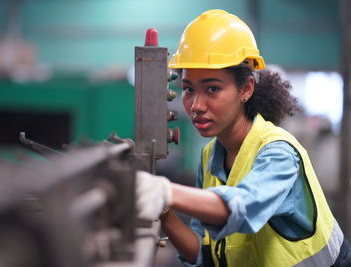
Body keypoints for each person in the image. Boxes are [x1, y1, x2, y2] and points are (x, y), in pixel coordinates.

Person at [135, 9, 351, 267]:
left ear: (246, 89)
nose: (196, 105)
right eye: (188, 89)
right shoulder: (210, 156)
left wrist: (164, 190)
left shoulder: (277, 152)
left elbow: (242, 208)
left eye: (212, 89)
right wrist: (165, 212)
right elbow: (204, 255)